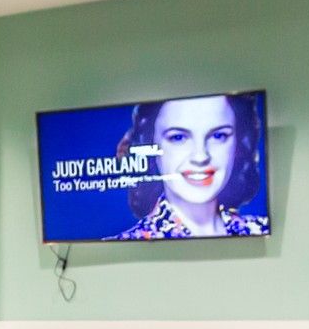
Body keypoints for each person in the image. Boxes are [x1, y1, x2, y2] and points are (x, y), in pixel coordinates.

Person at [111, 93, 269, 238]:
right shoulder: (127, 241)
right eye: (178, 137)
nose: (200, 156)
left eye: (218, 136)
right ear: (150, 143)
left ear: (238, 145)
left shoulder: (259, 229)